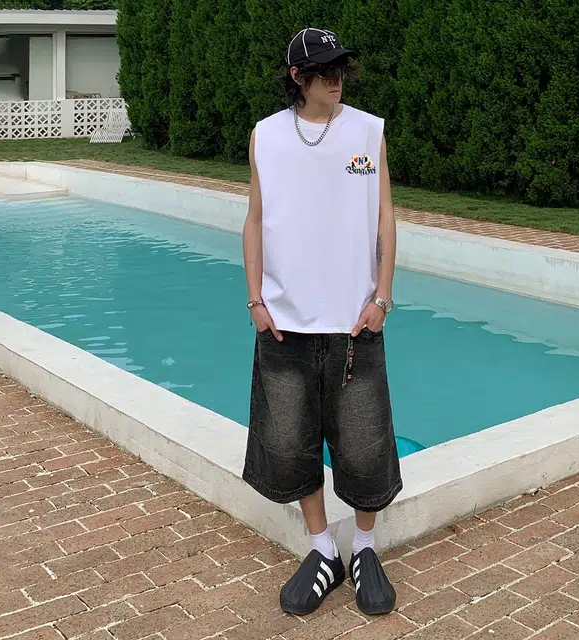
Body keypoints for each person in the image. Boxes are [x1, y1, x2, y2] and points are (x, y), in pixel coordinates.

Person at [242, 27, 402, 617]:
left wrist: (382, 297)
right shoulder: (266, 136)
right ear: (297, 76)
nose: (336, 78)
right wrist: (255, 301)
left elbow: (385, 217)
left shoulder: (368, 131)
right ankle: (322, 550)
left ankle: (364, 548)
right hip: (285, 324)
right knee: (292, 444)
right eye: (324, 70)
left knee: (364, 447)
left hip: (355, 325)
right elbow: (255, 219)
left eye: (341, 68)